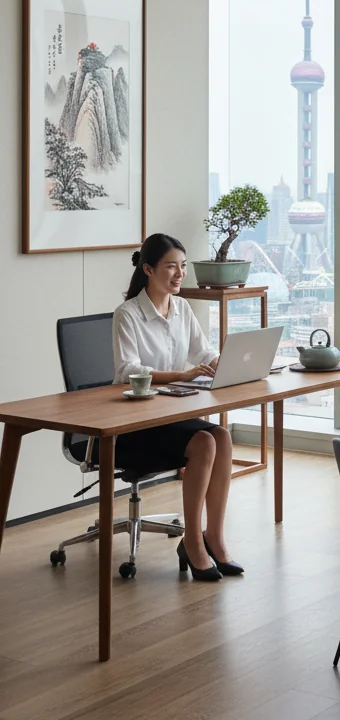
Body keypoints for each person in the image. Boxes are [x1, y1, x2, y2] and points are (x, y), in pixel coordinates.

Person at [112, 234, 243, 582]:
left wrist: (228, 364)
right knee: (204, 443)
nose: (179, 274)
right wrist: (182, 374)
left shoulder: (181, 307)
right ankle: (191, 541)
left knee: (222, 437)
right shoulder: (127, 314)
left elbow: (203, 352)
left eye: (183, 266)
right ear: (148, 269)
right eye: (171, 266)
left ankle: (212, 536)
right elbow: (128, 372)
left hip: (170, 413)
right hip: (134, 422)